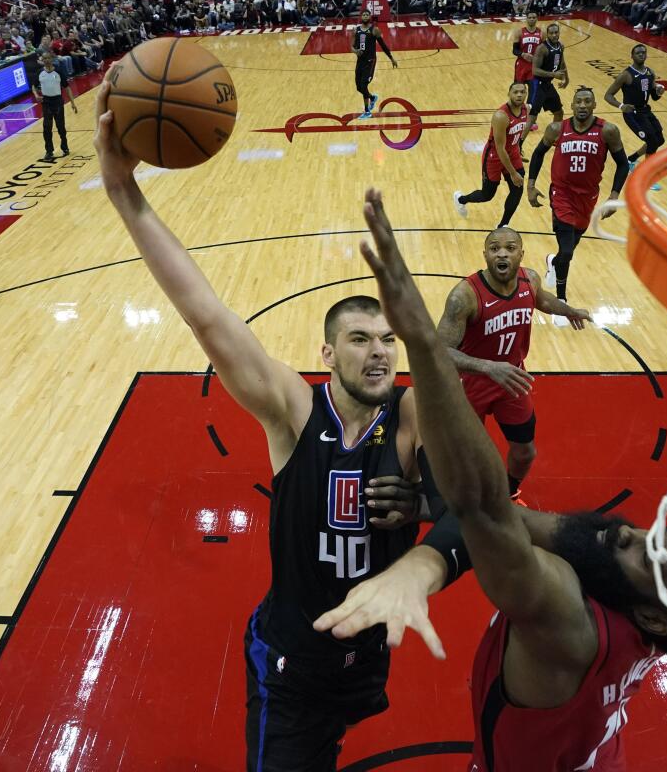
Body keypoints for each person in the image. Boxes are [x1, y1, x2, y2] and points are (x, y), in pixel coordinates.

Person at [319, 189, 667, 772]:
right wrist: (432, 509)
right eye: (656, 533)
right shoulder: (647, 612)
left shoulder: (566, 620)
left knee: (516, 457)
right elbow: (507, 517)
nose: (628, 533)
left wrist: (423, 347)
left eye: (647, 554)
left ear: (655, 615)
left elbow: (484, 508)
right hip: (597, 756)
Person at [92, 80, 465, 772]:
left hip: (366, 661)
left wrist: (422, 559)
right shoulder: (295, 411)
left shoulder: (413, 416)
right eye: (359, 339)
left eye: (386, 338)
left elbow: (472, 514)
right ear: (327, 355)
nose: (379, 350)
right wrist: (125, 195)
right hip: (291, 667)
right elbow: (208, 315)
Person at [436, 226, 593, 502]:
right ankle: (463, 505)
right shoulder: (464, 296)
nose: (502, 254)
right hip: (469, 383)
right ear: (485, 254)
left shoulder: (529, 279)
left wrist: (568, 311)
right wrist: (488, 367)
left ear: (521, 253)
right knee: (468, 455)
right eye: (495, 248)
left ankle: (507, 492)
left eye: (510, 248)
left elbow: (541, 300)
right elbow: (439, 351)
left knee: (525, 452)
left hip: (512, 379)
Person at [526, 87, 628, 318]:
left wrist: (613, 196)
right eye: (578, 102)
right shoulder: (557, 129)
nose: (582, 106)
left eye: (587, 102)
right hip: (561, 195)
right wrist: (531, 186)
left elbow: (622, 164)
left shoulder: (608, 131)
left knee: (568, 250)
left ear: (593, 105)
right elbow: (538, 154)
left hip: (588, 198)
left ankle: (554, 262)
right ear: (571, 106)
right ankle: (561, 300)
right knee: (568, 250)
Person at [453, 81, 529, 228]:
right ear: (509, 94)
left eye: (522, 92)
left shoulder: (526, 109)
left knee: (517, 189)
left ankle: (503, 225)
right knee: (487, 195)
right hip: (494, 157)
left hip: (512, 154)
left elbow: (521, 129)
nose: (519, 95)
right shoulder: (501, 116)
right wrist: (513, 173)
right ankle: (461, 199)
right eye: (515, 92)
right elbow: (500, 148)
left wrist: (518, 149)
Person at [603, 44, 665, 182]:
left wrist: (659, 92)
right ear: (632, 56)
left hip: (645, 110)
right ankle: (647, 176)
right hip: (632, 113)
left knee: (660, 140)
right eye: (638, 53)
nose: (641, 54)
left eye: (643, 52)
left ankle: (631, 159)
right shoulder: (626, 75)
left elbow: (654, 96)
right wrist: (621, 106)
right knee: (652, 141)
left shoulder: (650, 72)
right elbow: (608, 95)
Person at [520, 22, 569, 150]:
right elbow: (535, 71)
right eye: (551, 33)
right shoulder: (542, 48)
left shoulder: (560, 46)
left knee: (559, 112)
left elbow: (562, 63)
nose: (554, 35)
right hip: (538, 85)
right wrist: (554, 74)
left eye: (556, 32)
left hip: (548, 85)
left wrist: (566, 78)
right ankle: (517, 147)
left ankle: (554, 138)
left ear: (559, 33)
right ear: (547, 34)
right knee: (532, 118)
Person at [351, 10, 397, 119]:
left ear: (370, 17)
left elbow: (383, 45)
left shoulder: (374, 30)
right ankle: (372, 98)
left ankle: (367, 111)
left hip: (370, 61)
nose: (365, 16)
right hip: (360, 61)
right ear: (361, 16)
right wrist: (355, 51)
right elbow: (351, 46)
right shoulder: (355, 30)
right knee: (358, 87)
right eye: (364, 14)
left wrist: (391, 58)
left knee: (363, 85)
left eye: (367, 14)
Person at [33, 52, 77, 162]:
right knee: (47, 128)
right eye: (44, 58)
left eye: (48, 58)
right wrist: (36, 95)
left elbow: (67, 88)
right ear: (42, 60)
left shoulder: (59, 71)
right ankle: (49, 151)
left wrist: (72, 103)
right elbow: (33, 86)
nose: (46, 60)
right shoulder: (39, 72)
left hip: (57, 101)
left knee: (60, 127)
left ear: (52, 59)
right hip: (46, 102)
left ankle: (65, 147)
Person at [512, 10, 542, 110]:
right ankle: (516, 110)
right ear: (526, 19)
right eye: (530, 17)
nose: (532, 19)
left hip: (534, 66)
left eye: (534, 17)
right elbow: (514, 50)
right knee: (518, 89)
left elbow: (544, 51)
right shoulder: (520, 32)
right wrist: (522, 54)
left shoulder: (541, 33)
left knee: (533, 90)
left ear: (537, 19)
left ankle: (529, 113)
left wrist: (537, 58)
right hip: (521, 65)